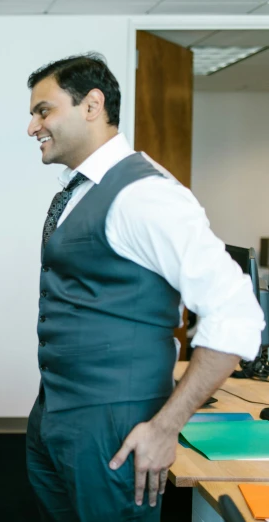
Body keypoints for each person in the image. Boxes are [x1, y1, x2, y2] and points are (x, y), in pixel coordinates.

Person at [24, 53, 265, 521]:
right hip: (56, 414)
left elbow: (237, 315)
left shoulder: (146, 194)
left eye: (43, 110)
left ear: (91, 105)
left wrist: (166, 427)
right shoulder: (79, 190)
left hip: (113, 427)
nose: (32, 126)